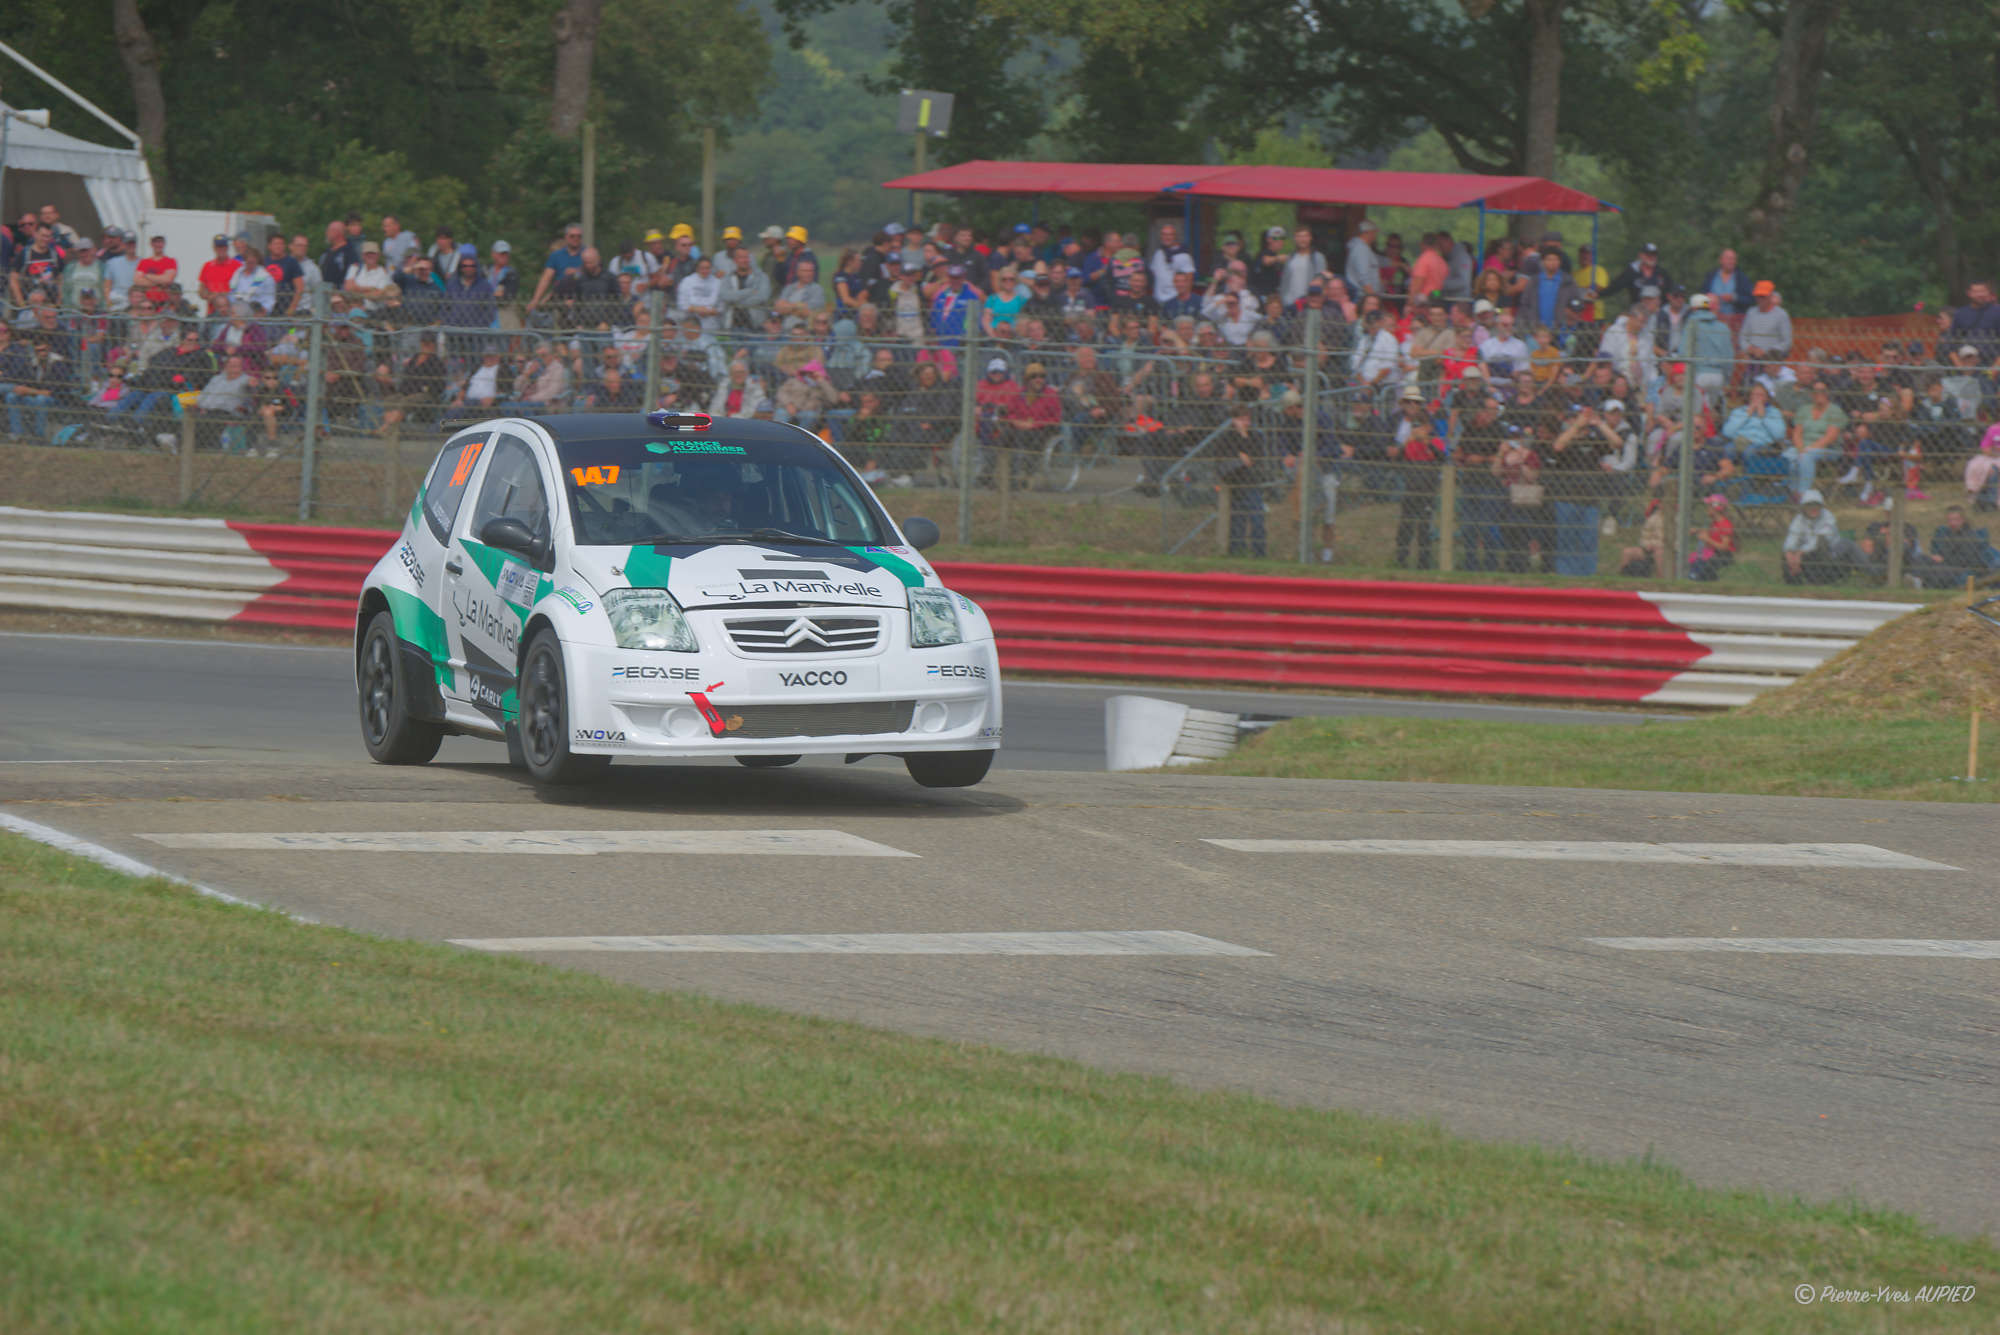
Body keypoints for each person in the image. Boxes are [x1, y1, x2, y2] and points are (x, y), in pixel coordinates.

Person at [1781, 489, 1857, 584]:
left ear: (1821, 506)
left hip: (1831, 555)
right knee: (1786, 555)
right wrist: (1789, 553)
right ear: (1803, 507)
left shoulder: (1828, 517)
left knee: (1820, 544)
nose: (1813, 508)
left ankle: (1820, 580)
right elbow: (1792, 537)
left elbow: (1819, 540)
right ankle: (1793, 582)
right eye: (1809, 505)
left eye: (1816, 505)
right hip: (1807, 553)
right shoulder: (1799, 519)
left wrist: (1800, 552)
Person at [1687, 493, 1736, 581]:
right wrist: (1698, 530)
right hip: (1713, 552)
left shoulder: (1725, 524)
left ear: (1716, 508)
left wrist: (1707, 539)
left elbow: (1724, 547)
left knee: (1702, 565)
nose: (1707, 509)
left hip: (1723, 555)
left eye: (1709, 506)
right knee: (1691, 559)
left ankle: (1699, 579)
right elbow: (1712, 534)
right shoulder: (1714, 523)